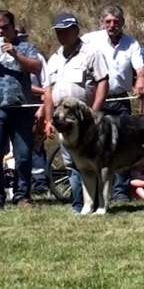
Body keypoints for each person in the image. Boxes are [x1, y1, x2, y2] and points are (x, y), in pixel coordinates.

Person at [42, 13, 110, 213]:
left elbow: (103, 82)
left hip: (86, 122)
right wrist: (48, 120)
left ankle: (99, 203)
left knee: (95, 162)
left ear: (76, 30)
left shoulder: (91, 53)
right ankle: (79, 204)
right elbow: (48, 92)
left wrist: (94, 112)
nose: (61, 35)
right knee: (72, 163)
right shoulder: (54, 58)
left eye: (65, 30)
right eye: (58, 31)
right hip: (63, 122)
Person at [81, 4, 144, 202]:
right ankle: (95, 194)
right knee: (92, 144)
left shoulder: (131, 43)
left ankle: (120, 193)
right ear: (103, 22)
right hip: (96, 98)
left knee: (122, 145)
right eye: (108, 21)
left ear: (122, 23)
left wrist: (141, 80)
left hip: (120, 99)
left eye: (116, 22)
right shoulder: (90, 40)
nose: (112, 25)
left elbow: (140, 68)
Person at [0, 10, 42, 209]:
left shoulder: (25, 47)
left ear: (12, 27)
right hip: (0, 108)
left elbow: (36, 67)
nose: (1, 31)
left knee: (23, 155)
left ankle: (22, 196)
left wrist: (15, 54)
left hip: (22, 107)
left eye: (4, 27)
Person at [16, 25, 49, 195]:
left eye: (22, 37)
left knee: (34, 146)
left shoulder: (36, 57)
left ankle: (39, 182)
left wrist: (43, 106)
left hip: (34, 105)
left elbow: (45, 85)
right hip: (12, 105)